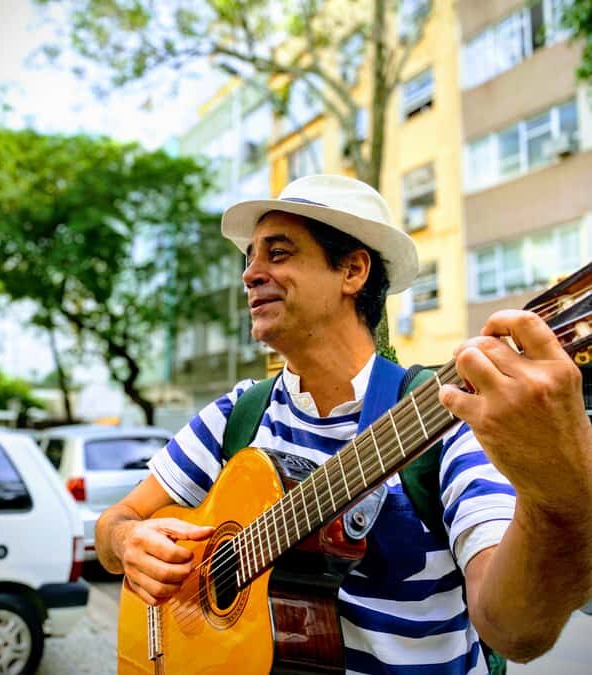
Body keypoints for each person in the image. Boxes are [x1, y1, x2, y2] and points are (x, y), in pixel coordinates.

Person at [97, 174, 592, 671]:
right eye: (250, 258)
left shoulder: (451, 416)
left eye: (279, 252)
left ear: (352, 271)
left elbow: (515, 631)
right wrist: (128, 543)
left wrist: (561, 490)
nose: (250, 274)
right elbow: (114, 524)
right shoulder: (237, 416)